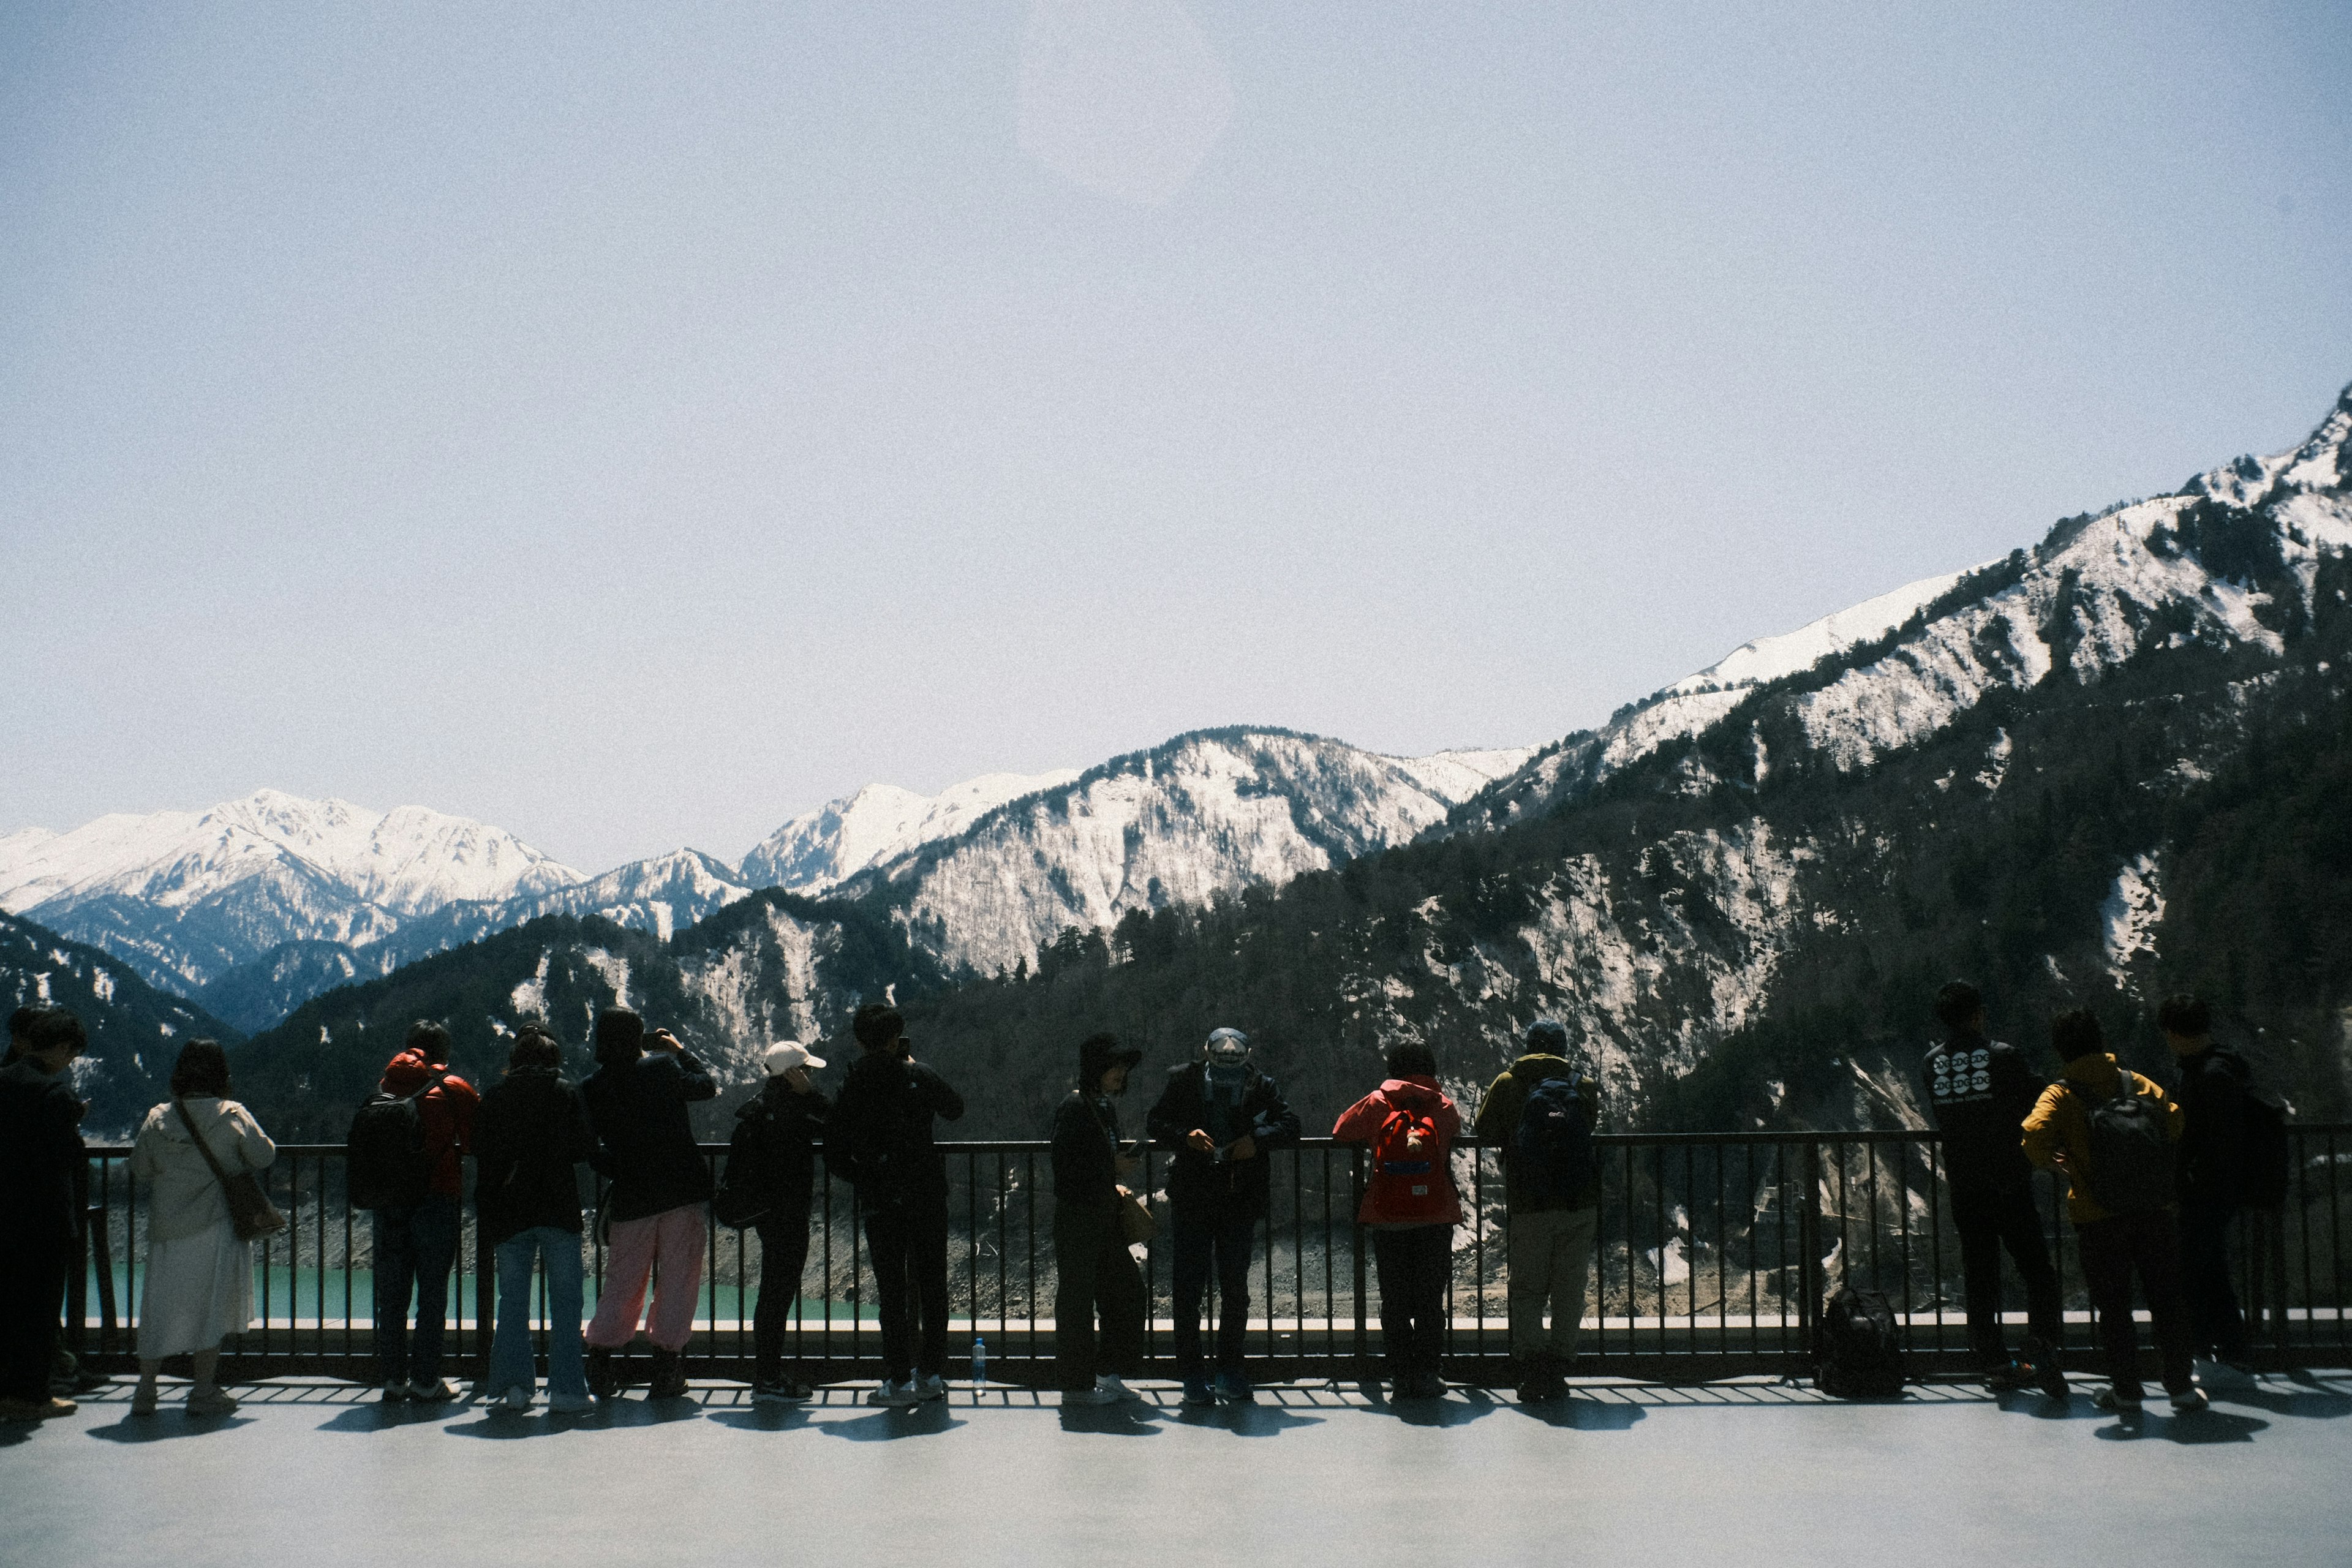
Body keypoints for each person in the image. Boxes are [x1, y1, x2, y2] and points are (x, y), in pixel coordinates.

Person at [2022, 1009, 2204, 1414]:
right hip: (2155, 1210)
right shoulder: (2135, 1082)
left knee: (2115, 1307)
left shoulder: (2061, 1094)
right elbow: (2175, 1122)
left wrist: (2066, 1163)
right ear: (2101, 1041)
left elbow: (2033, 1139)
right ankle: (2181, 1389)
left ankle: (2127, 1392)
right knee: (2168, 1300)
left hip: (2098, 1216)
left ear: (2061, 1050)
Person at [1918, 981, 2067, 1398]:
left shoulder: (1932, 1064)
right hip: (2008, 1182)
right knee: (2037, 1270)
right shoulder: (2003, 1057)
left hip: (1964, 1187)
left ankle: (1995, 1361)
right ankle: (2043, 1350)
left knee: (1980, 1276)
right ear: (1979, 1014)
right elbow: (2033, 1098)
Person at [1146, 1025, 1300, 1405]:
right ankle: (1196, 1377)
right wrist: (1187, 1136)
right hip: (1199, 1197)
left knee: (1231, 1290)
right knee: (1191, 1290)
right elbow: (1157, 1123)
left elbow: (1291, 1126)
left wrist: (1256, 1141)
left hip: (1234, 1198)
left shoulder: (1262, 1085)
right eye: (1224, 1054)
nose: (1229, 1059)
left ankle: (1225, 1372)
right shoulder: (1185, 1079)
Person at [825, 1002, 965, 1408]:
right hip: (926, 1194)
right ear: (895, 1036)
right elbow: (955, 1108)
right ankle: (932, 1375)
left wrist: (868, 1175)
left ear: (859, 1041)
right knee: (932, 1284)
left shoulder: (853, 1085)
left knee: (892, 1290)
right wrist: (918, 1068)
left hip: (882, 1201)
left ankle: (899, 1381)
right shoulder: (917, 1076)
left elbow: (834, 1152)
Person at [127, 1038, 274, 1418]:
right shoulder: (231, 1113)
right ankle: (202, 1391)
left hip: (167, 1228)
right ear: (222, 1074)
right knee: (212, 1307)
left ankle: (145, 1392)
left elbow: (140, 1168)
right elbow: (263, 1155)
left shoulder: (158, 1117)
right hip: (216, 1226)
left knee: (158, 1307)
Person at [581, 1008, 718, 1401]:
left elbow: (590, 1149)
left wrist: (623, 1169)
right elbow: (706, 1087)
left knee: (623, 1283)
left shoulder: (593, 1086)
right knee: (679, 1281)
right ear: (639, 1036)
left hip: (632, 1199)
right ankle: (667, 1370)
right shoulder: (661, 1068)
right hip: (681, 1193)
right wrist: (680, 1051)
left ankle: (601, 1364)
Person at [1472, 1018, 1600, 1403]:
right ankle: (1560, 1366)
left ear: (1528, 1046)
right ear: (1563, 1049)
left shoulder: (1509, 1083)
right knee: (1569, 1287)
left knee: (1527, 1289)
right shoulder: (1584, 1086)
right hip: (1579, 1201)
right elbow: (1588, 1128)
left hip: (1529, 1201)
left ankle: (1531, 1368)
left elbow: (1483, 1129)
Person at [473, 1022, 598, 1414]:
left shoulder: (495, 1097)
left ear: (516, 1060)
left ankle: (514, 1388)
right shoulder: (566, 1094)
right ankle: (566, 1391)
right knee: (566, 1302)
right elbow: (584, 1148)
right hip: (558, 1208)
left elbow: (478, 1147)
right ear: (554, 1059)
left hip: (510, 1213)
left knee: (512, 1302)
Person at [1334, 1041, 1463, 1401]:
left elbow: (1342, 1129)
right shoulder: (1442, 1106)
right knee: (1429, 1298)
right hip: (1435, 1216)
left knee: (1394, 1298)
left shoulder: (1378, 1102)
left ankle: (1401, 1373)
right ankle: (1428, 1372)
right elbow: (1454, 1128)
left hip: (1388, 1215)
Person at [369, 1021, 479, 1403]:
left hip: (389, 1201)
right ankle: (427, 1380)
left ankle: (392, 1380)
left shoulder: (386, 1086)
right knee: (432, 1293)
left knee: (392, 1294)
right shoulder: (453, 1088)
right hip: (437, 1199)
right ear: (443, 1052)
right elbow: (475, 1140)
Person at [726, 1039, 832, 1403]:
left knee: (771, 1293)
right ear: (793, 1074)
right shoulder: (798, 1109)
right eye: (805, 1070)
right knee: (778, 1294)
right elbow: (839, 1128)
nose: (809, 1075)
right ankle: (768, 1379)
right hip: (789, 1213)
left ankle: (766, 1374)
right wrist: (813, 1095)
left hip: (766, 1214)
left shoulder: (758, 1108)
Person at [0, 1007, 88, 1423]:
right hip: (43, 1220)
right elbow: (66, 1158)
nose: (69, 1063)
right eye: (70, 1055)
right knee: (39, 1309)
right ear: (60, 1049)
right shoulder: (54, 1095)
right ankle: (32, 1395)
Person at [2162, 993, 2256, 1379]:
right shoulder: (2220, 1067)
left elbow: (2210, 1138)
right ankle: (2220, 1351)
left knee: (2199, 1270)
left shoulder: (2208, 1076)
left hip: (2207, 1190)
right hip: (2216, 1189)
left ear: (2175, 1033)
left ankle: (2220, 1350)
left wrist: (2189, 1172)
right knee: (2206, 1268)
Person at [1053, 1032, 1149, 1405]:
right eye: (1113, 1067)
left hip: (1103, 1215)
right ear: (1095, 1069)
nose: (1120, 1074)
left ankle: (1108, 1374)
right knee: (1077, 1301)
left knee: (1126, 1293)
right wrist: (1111, 1166)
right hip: (1079, 1216)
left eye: (1123, 1068)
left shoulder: (1101, 1107)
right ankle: (1077, 1386)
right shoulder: (1074, 1107)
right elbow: (1064, 1167)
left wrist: (1114, 1164)